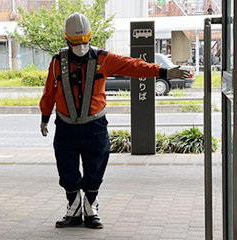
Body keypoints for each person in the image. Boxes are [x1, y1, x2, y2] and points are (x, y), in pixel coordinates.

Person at [39, 12, 189, 229]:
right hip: (66, 126)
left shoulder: (103, 59)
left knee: (95, 167)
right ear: (67, 39)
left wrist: (163, 71)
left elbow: (133, 66)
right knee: (66, 168)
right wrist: (45, 116)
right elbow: (49, 92)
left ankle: (91, 208)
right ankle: (73, 208)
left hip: (94, 126)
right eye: (76, 41)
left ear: (90, 37)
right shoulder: (56, 62)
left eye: (84, 40)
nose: (81, 45)